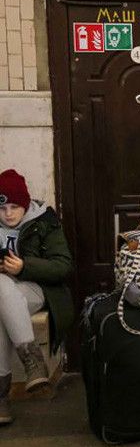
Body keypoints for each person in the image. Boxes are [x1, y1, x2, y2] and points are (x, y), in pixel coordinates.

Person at [0, 169, 73, 425]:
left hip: (36, 289)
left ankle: (1, 397)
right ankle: (33, 364)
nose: (8, 214)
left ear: (26, 203)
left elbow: (63, 266)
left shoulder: (44, 221)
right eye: (3, 208)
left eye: (14, 206)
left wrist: (23, 267)